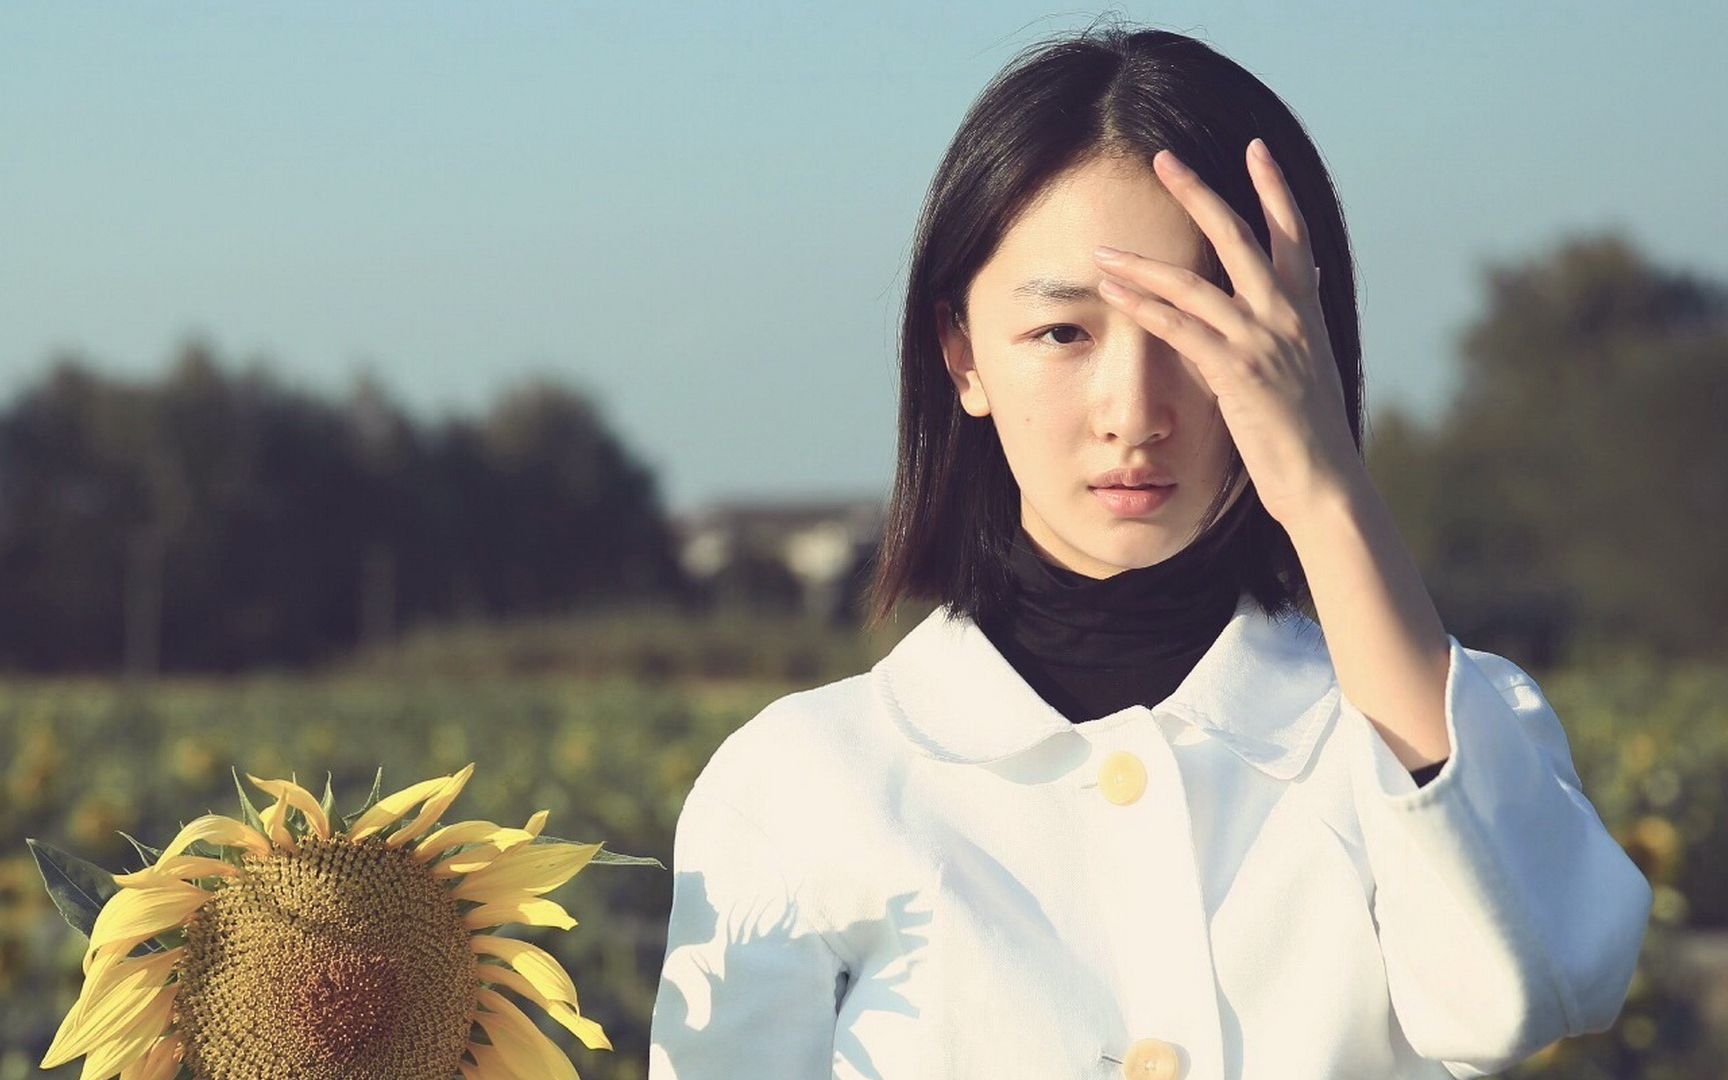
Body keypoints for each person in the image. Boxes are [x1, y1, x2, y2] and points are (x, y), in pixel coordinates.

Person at [647, 19, 1653, 1079]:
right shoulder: (804, 781)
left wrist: (1325, 495)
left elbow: (1527, 992)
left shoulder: (1425, 734)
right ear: (962, 354)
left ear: (1302, 344)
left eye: (1195, 328)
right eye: (1063, 333)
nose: (1133, 412)